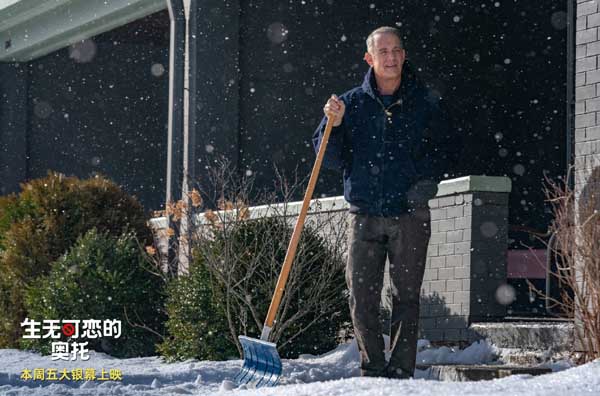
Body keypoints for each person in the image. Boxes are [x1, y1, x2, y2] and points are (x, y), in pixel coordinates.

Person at [312, 26, 458, 379]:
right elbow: (326, 158)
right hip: (363, 215)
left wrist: (425, 184)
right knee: (361, 297)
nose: (390, 58)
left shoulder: (425, 102)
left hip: (410, 214)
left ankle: (401, 370)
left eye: (396, 51)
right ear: (369, 58)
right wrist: (333, 125)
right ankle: (373, 368)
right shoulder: (350, 104)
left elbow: (446, 150)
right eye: (383, 52)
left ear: (404, 56)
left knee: (406, 296)